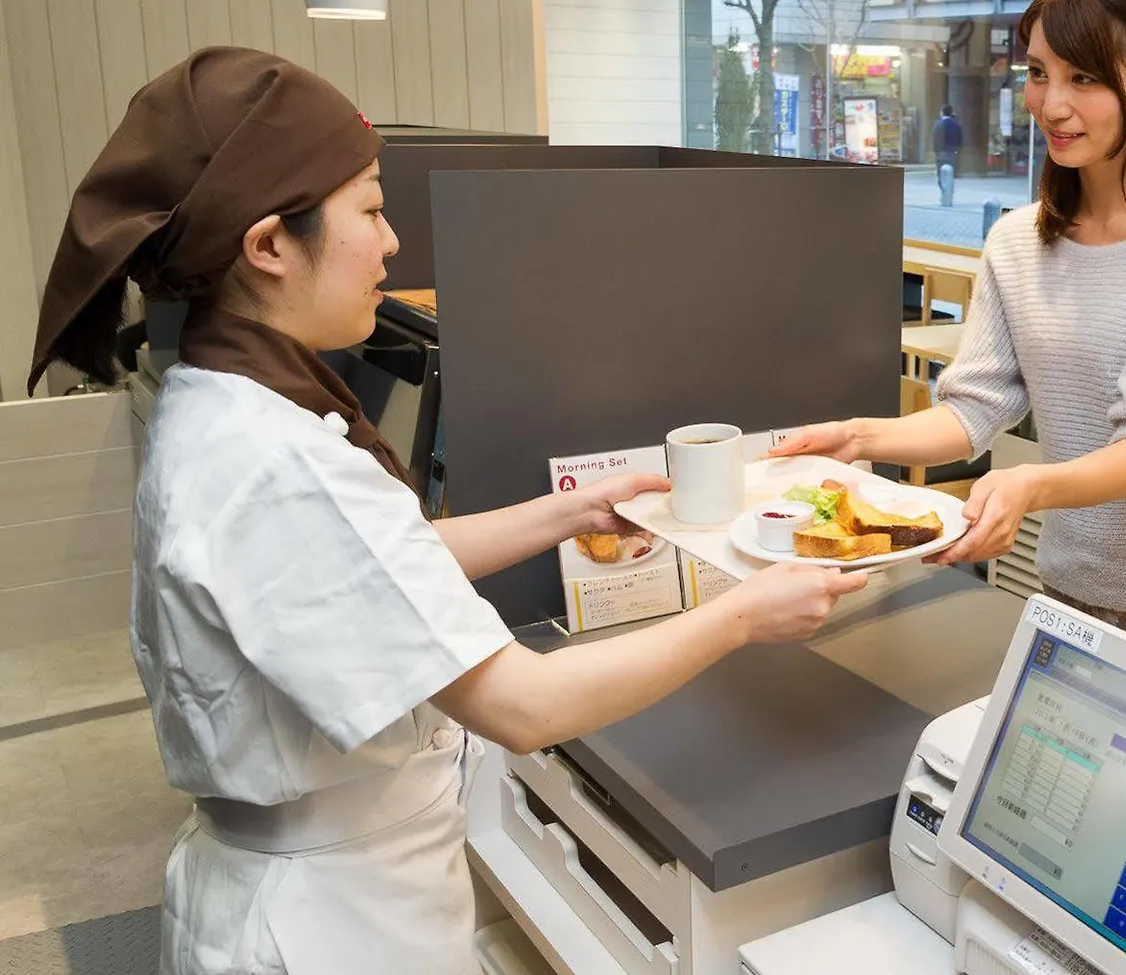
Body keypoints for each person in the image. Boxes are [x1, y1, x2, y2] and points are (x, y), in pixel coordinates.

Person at [26, 47, 868, 973]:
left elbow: (383, 560)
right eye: (374, 212)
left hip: (316, 886)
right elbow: (523, 704)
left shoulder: (220, 400)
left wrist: (567, 513)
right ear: (268, 246)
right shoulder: (276, 461)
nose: (393, 244)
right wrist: (743, 614)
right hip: (330, 921)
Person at [773, 0, 1126, 692]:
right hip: (1064, 597)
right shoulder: (1018, 238)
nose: (1052, 104)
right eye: (1038, 73)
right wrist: (859, 437)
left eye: (1086, 78)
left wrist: (1029, 488)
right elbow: (976, 408)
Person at [934, 103, 964, 207]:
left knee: (941, 175)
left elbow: (935, 139)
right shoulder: (956, 124)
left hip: (941, 153)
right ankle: (949, 195)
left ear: (942, 112)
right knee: (950, 175)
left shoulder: (939, 124)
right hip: (953, 153)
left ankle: (944, 195)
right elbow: (960, 140)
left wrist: (936, 151)